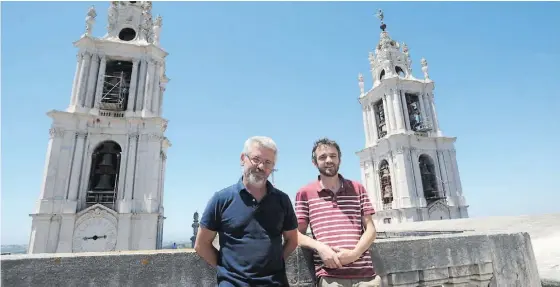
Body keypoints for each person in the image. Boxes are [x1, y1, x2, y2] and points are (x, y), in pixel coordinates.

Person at [195, 136, 299, 287]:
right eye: (256, 159)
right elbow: (201, 244)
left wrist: (274, 262)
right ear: (243, 158)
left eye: (268, 162)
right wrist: (227, 270)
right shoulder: (221, 199)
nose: (261, 166)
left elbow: (292, 240)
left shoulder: (282, 200)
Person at [295, 138, 380, 287]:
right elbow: (296, 234)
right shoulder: (305, 193)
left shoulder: (357, 188)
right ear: (314, 163)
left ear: (339, 159)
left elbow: (371, 229)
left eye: (333, 156)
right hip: (330, 277)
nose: (329, 160)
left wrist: (354, 254)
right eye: (322, 157)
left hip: (366, 276)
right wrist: (320, 247)